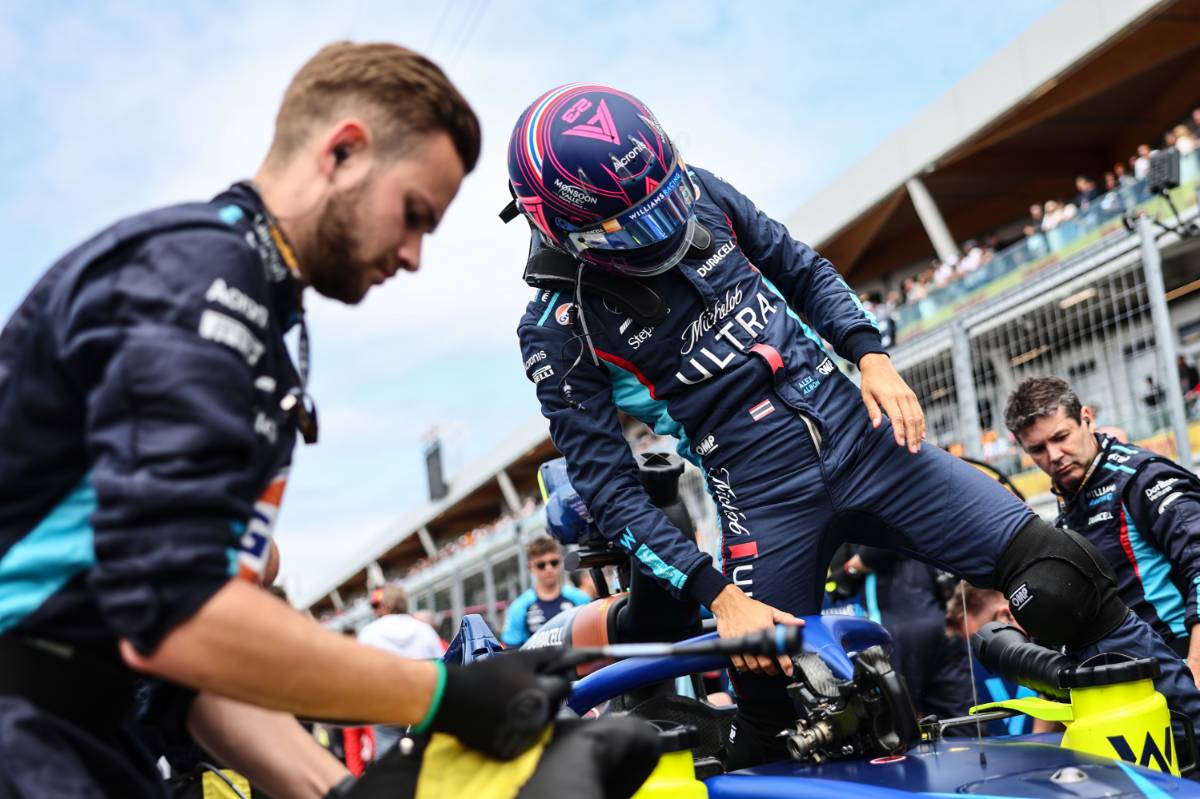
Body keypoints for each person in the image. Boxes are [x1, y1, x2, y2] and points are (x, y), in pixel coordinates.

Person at [505, 84, 1200, 767]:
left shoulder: (702, 192)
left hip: (870, 442)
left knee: (1059, 577)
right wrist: (718, 596)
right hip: (762, 497)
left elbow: (801, 269)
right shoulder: (555, 331)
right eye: (640, 221)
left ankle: (1191, 732)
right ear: (561, 225)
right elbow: (609, 487)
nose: (667, 227)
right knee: (772, 697)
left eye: (668, 200)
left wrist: (870, 354)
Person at [0, 42, 572, 799]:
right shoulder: (201, 275)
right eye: (413, 214)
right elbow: (181, 612)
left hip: (92, 733)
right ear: (343, 150)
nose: (414, 255)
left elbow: (188, 664)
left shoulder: (260, 310)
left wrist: (344, 791)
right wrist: (442, 693)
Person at [1005, 376, 1200, 684]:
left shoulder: (1141, 478)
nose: (1054, 455)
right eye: (1038, 449)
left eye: (1061, 437)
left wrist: (1195, 669)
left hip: (1174, 658)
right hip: (1122, 674)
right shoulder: (1070, 499)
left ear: (1087, 418)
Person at [358, 585, 445, 756]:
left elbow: (361, 675)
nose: (374, 611)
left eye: (376, 606)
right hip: (423, 705)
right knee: (425, 758)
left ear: (386, 605)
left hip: (387, 708)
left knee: (389, 763)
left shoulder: (369, 633)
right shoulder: (424, 630)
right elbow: (443, 665)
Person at [501, 537, 591, 647]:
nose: (549, 569)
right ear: (531, 567)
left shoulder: (580, 598)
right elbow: (512, 648)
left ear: (561, 562)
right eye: (541, 565)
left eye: (553, 562)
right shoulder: (519, 607)